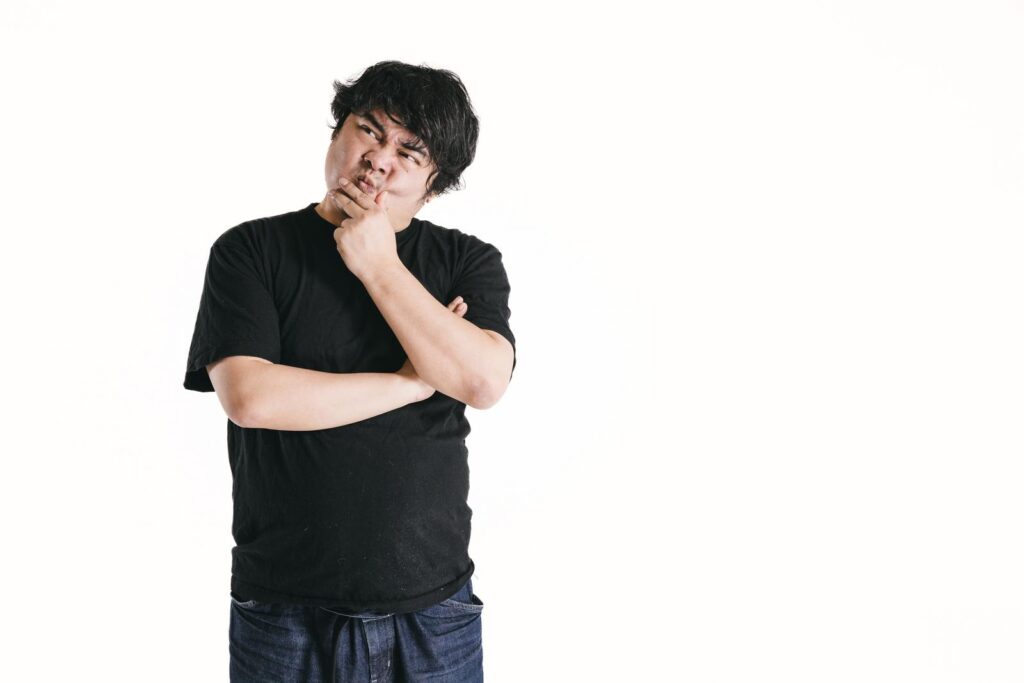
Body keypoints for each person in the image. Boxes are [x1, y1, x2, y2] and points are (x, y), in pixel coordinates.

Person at [182, 60, 516, 682]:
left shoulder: (465, 260)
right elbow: (252, 398)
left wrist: (379, 266)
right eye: (369, 131)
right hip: (283, 609)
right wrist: (412, 382)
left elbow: (483, 381)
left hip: (434, 609)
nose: (379, 161)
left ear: (434, 185)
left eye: (409, 154)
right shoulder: (250, 250)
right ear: (337, 133)